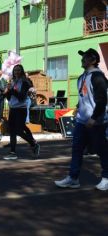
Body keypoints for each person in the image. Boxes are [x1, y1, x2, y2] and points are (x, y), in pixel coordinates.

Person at [55, 48, 108, 190]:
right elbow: (85, 96)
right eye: (83, 57)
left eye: (86, 57)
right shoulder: (82, 77)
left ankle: (106, 177)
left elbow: (102, 100)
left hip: (96, 122)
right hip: (81, 121)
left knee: (102, 150)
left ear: (94, 61)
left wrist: (94, 117)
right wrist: (78, 106)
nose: (82, 59)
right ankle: (73, 178)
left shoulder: (98, 77)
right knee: (76, 149)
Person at [3, 64, 40, 160]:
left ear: (22, 71)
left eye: (18, 70)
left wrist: (12, 90)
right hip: (13, 108)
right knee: (12, 131)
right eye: (15, 70)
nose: (16, 72)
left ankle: (33, 143)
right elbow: (9, 97)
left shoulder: (25, 82)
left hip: (21, 109)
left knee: (19, 130)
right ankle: (12, 152)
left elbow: (21, 97)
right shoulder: (13, 81)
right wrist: (7, 92)